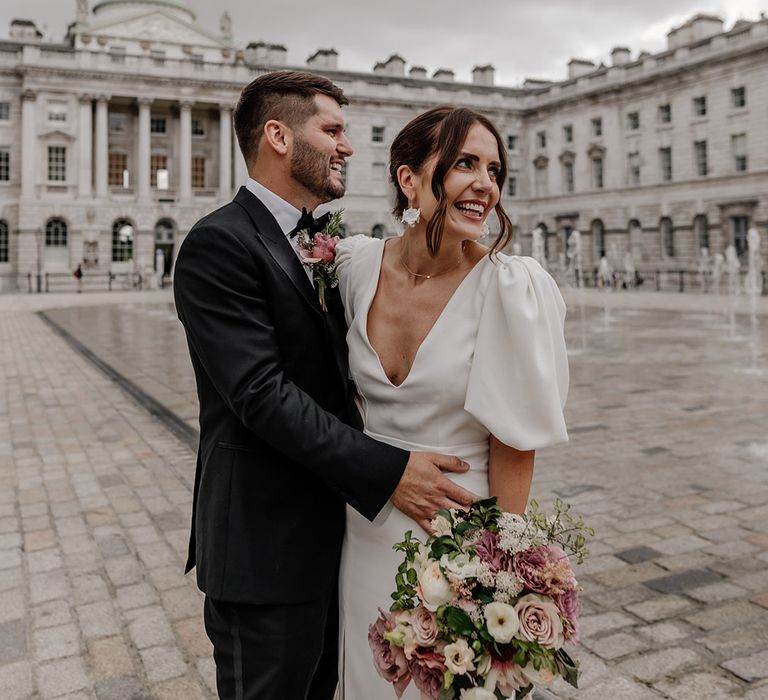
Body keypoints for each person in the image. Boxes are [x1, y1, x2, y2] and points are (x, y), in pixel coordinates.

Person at [172, 72, 476, 700]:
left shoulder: (320, 241)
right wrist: (390, 469)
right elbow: (262, 395)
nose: (347, 146)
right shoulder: (219, 243)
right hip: (263, 549)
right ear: (278, 137)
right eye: (332, 130)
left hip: (329, 541)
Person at [335, 106, 570, 698]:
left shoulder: (510, 287)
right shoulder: (352, 266)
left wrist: (500, 583)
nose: (486, 184)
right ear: (408, 178)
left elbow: (515, 447)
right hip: (362, 534)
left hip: (458, 546)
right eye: (465, 163)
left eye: (495, 169)